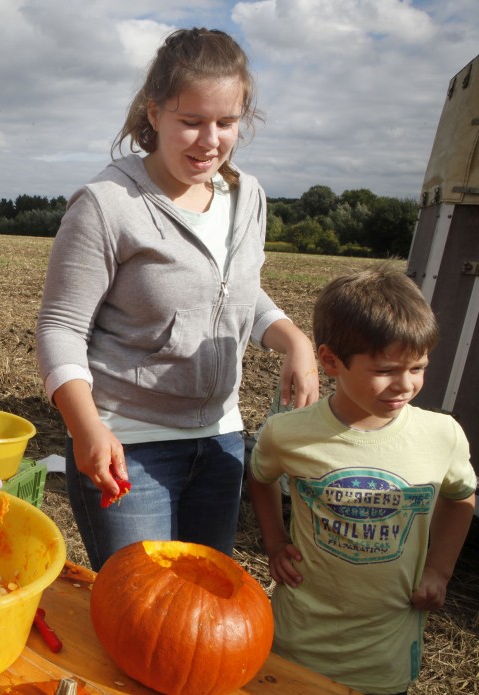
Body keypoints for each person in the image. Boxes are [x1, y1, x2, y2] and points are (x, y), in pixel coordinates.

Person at [35, 27, 319, 571]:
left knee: (203, 601)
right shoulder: (107, 204)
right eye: (191, 121)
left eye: (226, 122)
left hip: (220, 442)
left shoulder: (248, 197)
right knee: (143, 608)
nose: (209, 140)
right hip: (127, 444)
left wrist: (294, 341)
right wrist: (86, 428)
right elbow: (59, 329)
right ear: (155, 112)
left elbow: (234, 290)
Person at [248, 265, 476, 695]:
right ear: (330, 360)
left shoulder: (441, 436)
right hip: (296, 644)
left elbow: (460, 496)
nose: (405, 385)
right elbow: (261, 477)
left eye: (418, 367)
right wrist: (275, 542)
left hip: (384, 659)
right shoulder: (288, 433)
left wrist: (439, 570)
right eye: (385, 370)